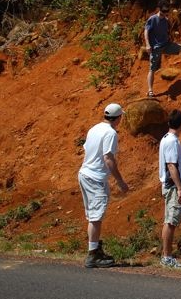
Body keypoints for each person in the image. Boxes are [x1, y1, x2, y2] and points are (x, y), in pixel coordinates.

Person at [78, 103, 129, 268]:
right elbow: (108, 158)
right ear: (118, 118)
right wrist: (120, 181)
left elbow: (87, 151)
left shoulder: (94, 128)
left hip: (85, 174)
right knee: (96, 217)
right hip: (95, 178)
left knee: (93, 215)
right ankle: (92, 255)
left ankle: (95, 249)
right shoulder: (110, 133)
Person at [144, 0, 181, 97]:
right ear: (159, 9)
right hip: (156, 47)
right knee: (152, 69)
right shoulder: (152, 19)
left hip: (166, 45)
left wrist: (171, 38)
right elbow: (146, 31)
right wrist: (148, 45)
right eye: (164, 11)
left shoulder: (166, 20)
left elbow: (167, 31)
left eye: (167, 11)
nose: (166, 13)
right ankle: (150, 91)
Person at [159, 109, 181, 268]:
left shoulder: (166, 139)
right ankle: (167, 257)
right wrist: (180, 188)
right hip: (172, 186)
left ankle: (166, 256)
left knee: (168, 221)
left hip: (169, 185)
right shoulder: (172, 141)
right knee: (171, 222)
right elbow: (171, 165)